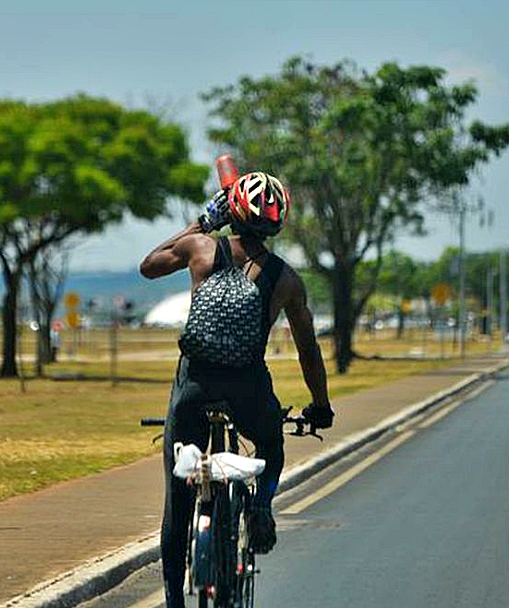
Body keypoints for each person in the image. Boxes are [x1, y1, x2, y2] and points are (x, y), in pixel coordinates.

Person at [140, 171, 334, 607]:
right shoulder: (286, 279)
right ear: (277, 223)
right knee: (270, 444)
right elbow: (308, 348)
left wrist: (203, 222)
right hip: (248, 388)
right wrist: (320, 405)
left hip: (193, 385)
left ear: (233, 212)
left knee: (178, 500)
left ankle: (174, 600)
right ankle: (262, 505)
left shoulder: (201, 249)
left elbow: (149, 265)